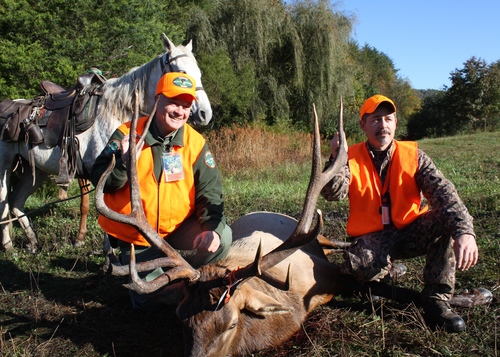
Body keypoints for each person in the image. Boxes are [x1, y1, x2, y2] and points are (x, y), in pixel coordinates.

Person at [321, 94, 478, 332]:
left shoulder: (414, 156)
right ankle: (388, 271)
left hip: (412, 229)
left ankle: (437, 300)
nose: (382, 125)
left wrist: (464, 231)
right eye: (375, 120)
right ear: (363, 125)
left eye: (388, 119)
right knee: (360, 267)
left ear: (395, 123)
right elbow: (333, 193)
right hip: (373, 237)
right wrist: (335, 158)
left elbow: (443, 193)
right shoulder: (349, 157)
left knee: (445, 222)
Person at [91, 72, 232, 310]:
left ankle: (190, 280)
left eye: (186, 105)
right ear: (157, 100)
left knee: (223, 238)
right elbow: (101, 181)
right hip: (136, 236)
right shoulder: (127, 133)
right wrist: (123, 162)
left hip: (177, 228)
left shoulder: (195, 143)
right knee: (149, 303)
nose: (180, 111)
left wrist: (212, 230)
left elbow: (210, 191)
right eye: (174, 103)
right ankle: (161, 279)